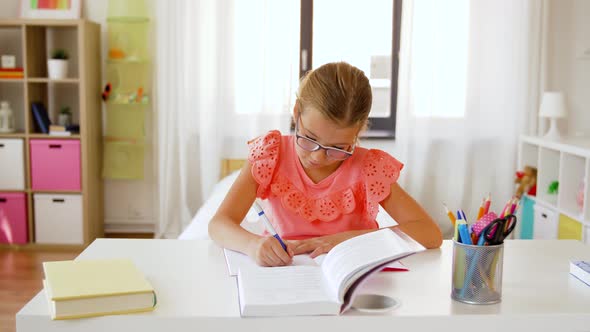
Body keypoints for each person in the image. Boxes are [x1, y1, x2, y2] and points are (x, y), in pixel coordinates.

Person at [209, 62, 442, 267]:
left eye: (338, 148)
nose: (318, 158)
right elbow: (219, 224)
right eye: (309, 139)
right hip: (284, 274)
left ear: (358, 132)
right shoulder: (270, 154)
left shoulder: (368, 168)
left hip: (353, 277)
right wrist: (252, 245)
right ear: (296, 112)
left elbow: (429, 233)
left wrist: (346, 239)